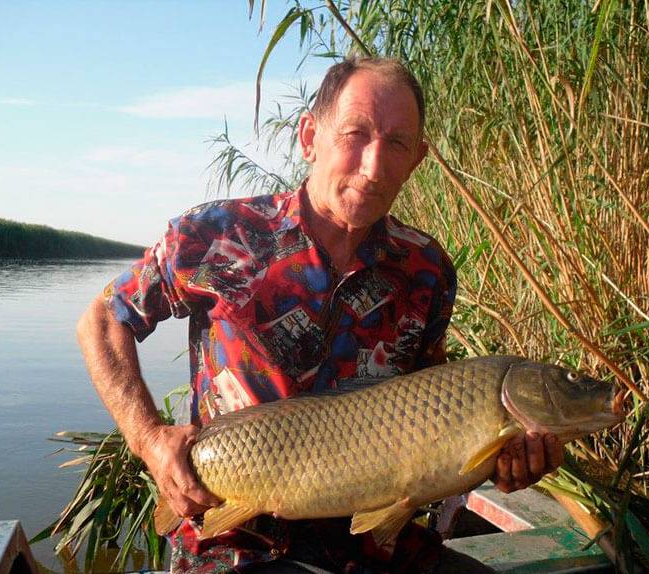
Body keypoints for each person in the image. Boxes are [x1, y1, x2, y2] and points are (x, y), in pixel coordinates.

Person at [77, 57, 564, 573]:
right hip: (238, 543)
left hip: (378, 547)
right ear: (310, 137)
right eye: (356, 134)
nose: (373, 166)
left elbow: (432, 418)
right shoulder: (218, 236)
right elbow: (104, 321)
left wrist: (500, 460)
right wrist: (150, 439)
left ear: (417, 159)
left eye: (397, 144)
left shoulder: (426, 269)